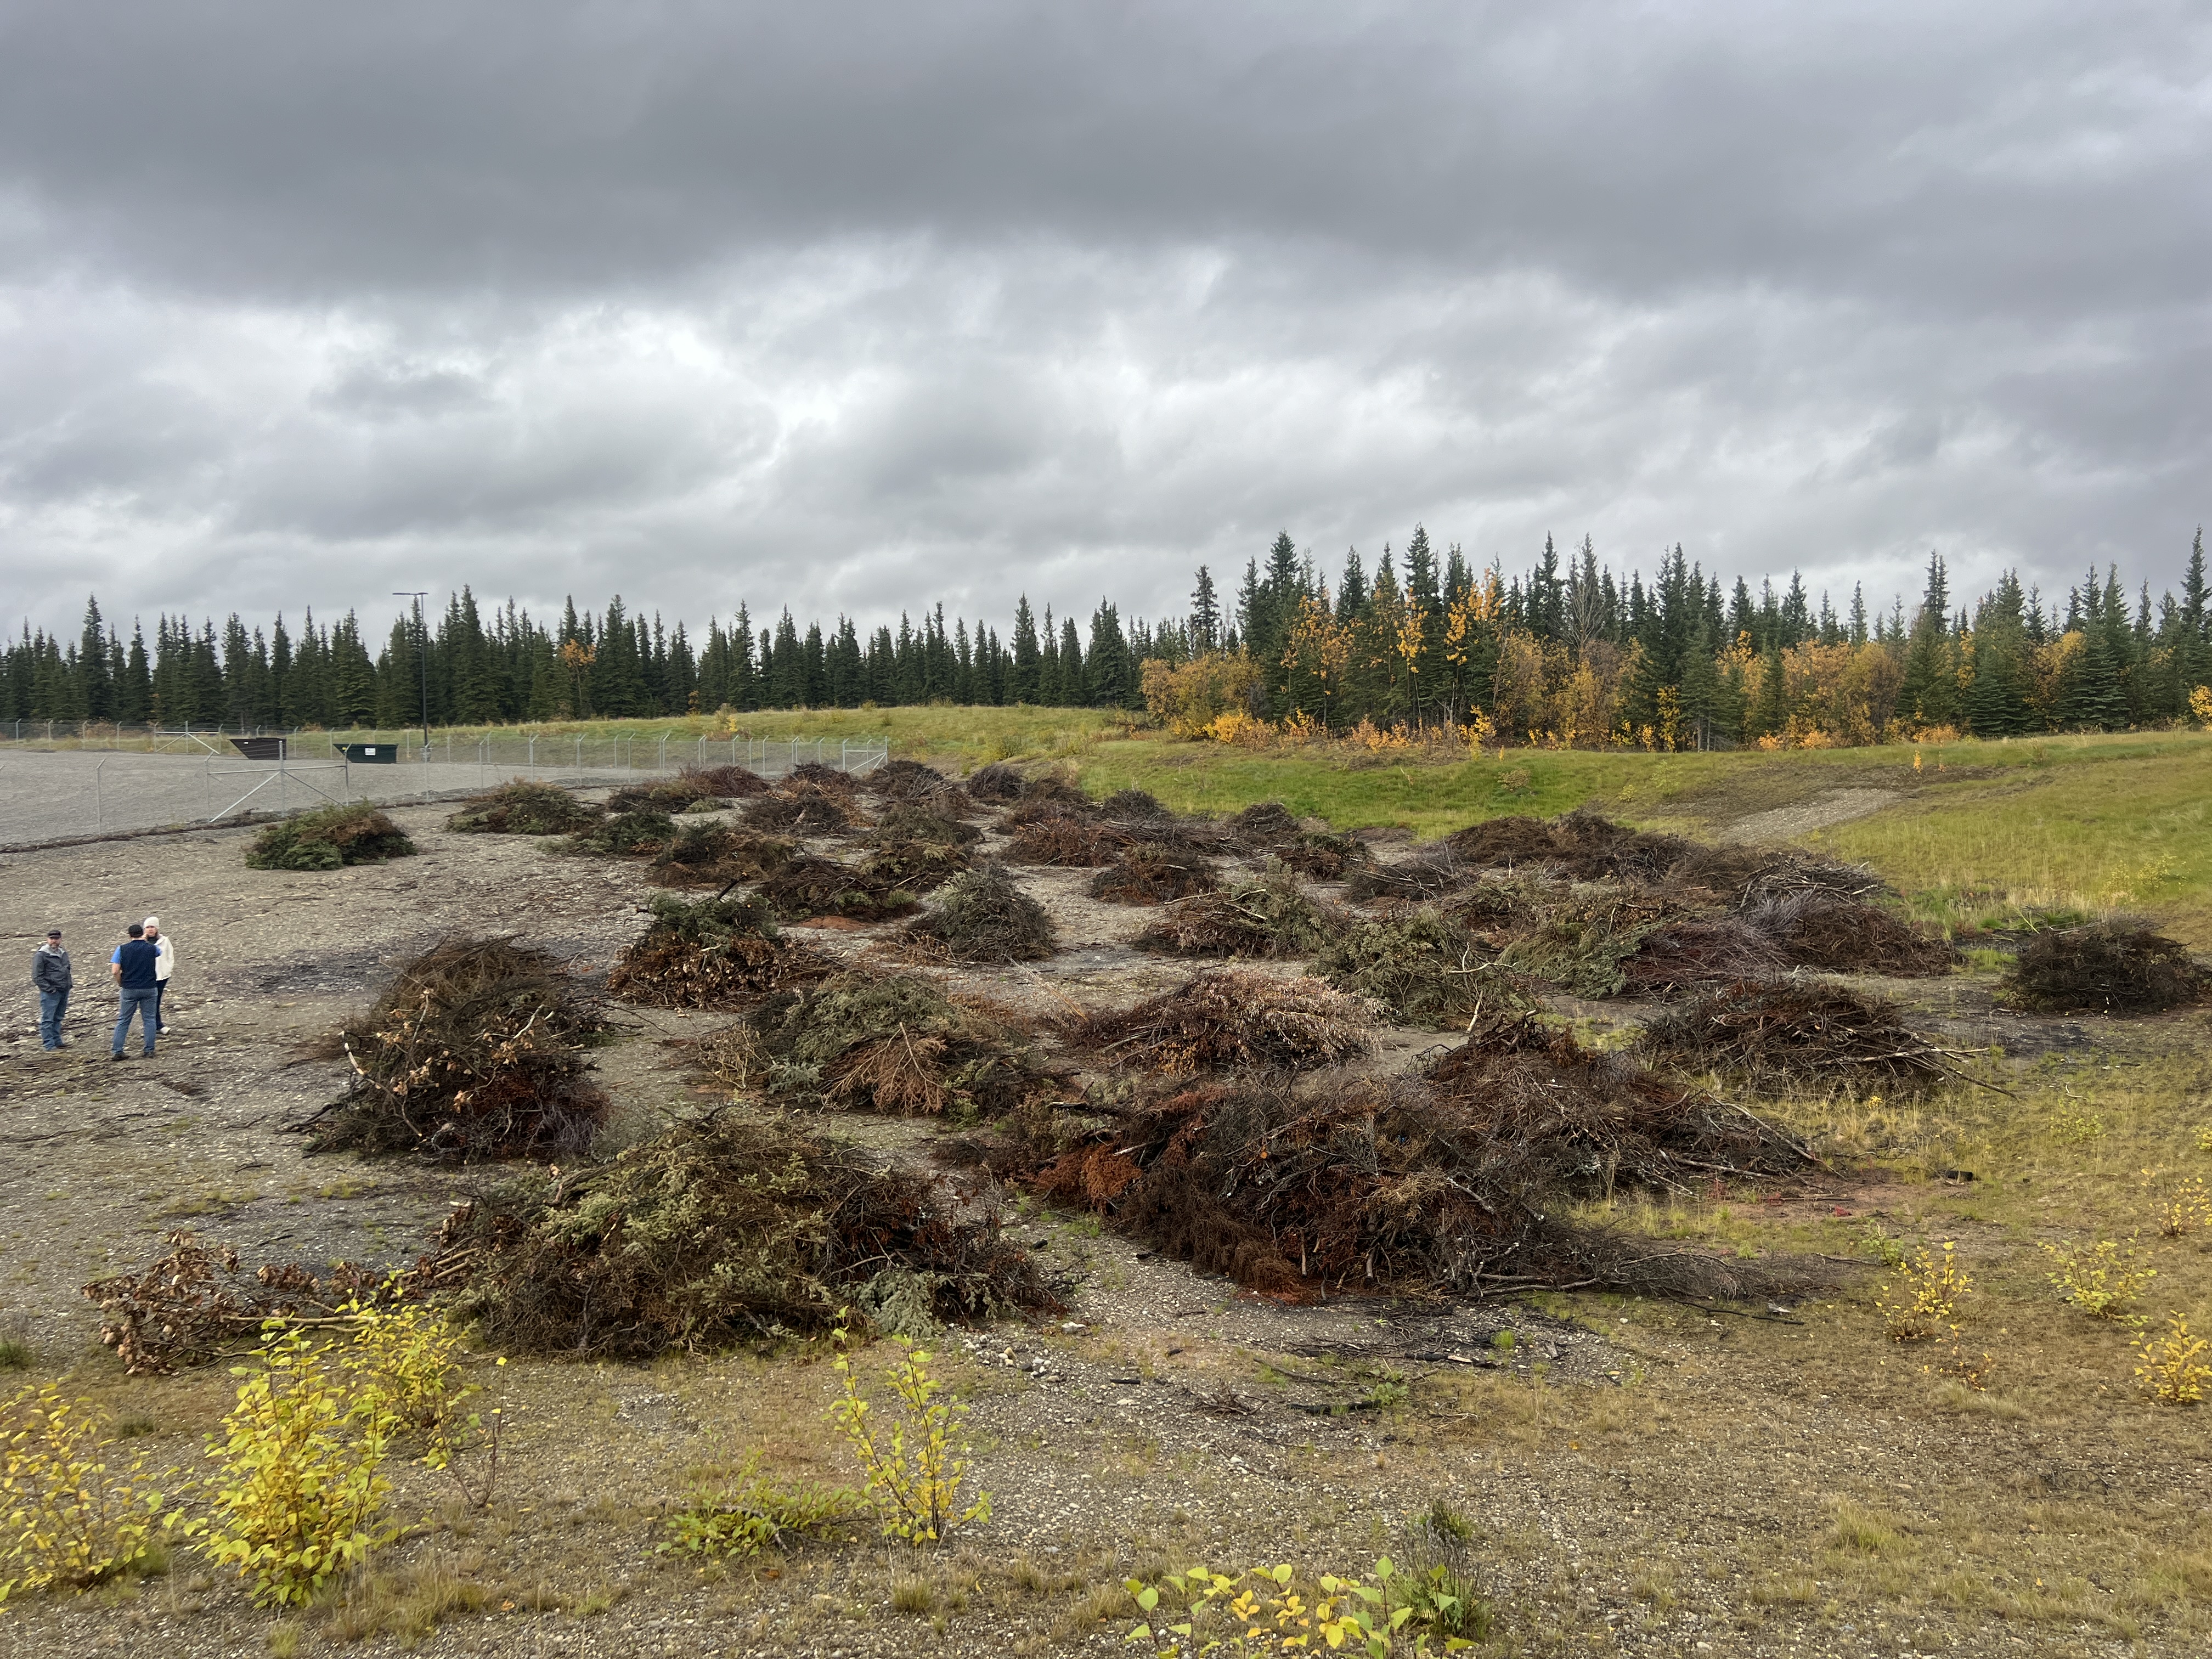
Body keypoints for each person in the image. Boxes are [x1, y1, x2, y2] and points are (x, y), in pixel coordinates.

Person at [110, 922, 160, 1060]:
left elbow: (115, 971)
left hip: (130, 988)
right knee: (149, 1019)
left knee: (124, 1020)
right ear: (142, 933)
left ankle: (118, 1051)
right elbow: (158, 953)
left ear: (129, 935)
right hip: (149, 987)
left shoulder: (122, 949)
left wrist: (121, 983)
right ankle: (149, 1050)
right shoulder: (152, 949)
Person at [33, 928, 72, 1051]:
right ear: (47, 939)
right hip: (51, 992)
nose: (54, 941)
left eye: (56, 939)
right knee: (48, 1019)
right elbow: (36, 976)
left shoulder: (62, 952)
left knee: (58, 1017)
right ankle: (49, 1045)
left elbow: (67, 969)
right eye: (52, 939)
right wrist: (50, 989)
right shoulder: (41, 955)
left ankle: (57, 1041)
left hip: (64, 989)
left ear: (60, 939)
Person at [143, 915, 174, 1034]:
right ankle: (153, 1025)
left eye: (153, 927)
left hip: (161, 976)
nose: (150, 929)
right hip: (147, 976)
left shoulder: (165, 941)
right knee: (149, 1002)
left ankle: (157, 1025)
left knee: (156, 1000)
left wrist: (168, 970)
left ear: (157, 928)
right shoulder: (142, 942)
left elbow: (170, 956)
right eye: (148, 927)